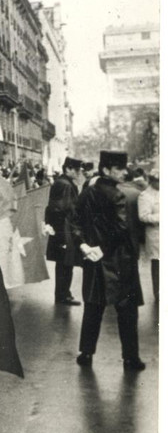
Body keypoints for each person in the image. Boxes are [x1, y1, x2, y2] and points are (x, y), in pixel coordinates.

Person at [72, 151, 146, 371]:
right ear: (106, 170)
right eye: (119, 169)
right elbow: (122, 229)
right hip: (119, 259)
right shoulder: (117, 195)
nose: (125, 172)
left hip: (93, 260)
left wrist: (85, 246)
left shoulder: (87, 193)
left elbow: (74, 221)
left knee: (93, 307)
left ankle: (86, 353)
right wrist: (103, 249)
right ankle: (130, 358)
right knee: (127, 309)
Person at [44, 156, 84, 306]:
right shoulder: (65, 185)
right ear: (68, 169)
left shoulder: (62, 183)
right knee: (65, 264)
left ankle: (63, 294)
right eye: (76, 169)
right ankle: (63, 295)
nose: (79, 172)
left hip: (61, 230)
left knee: (64, 265)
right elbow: (63, 209)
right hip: (64, 231)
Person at [138, 174, 159, 302]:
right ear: (152, 181)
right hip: (156, 235)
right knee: (158, 265)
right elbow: (143, 216)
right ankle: (159, 293)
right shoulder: (145, 196)